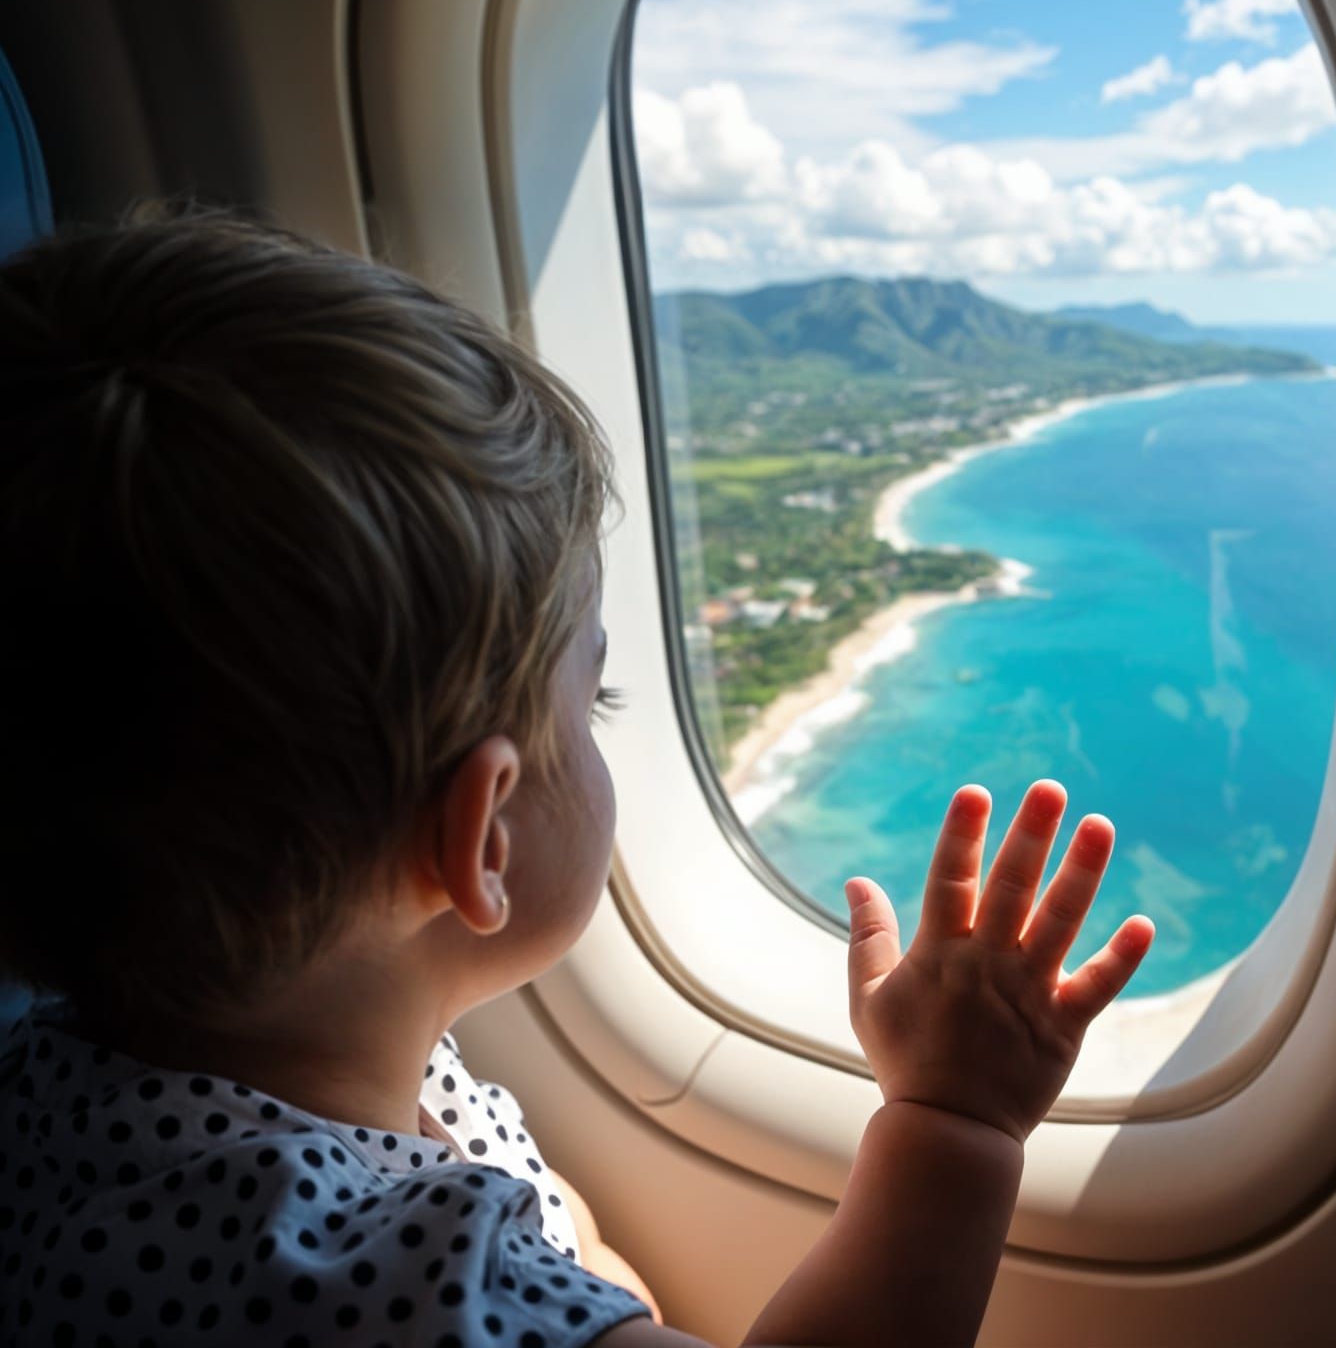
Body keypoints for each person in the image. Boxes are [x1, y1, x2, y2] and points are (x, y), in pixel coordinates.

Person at [0, 209, 1154, 1347]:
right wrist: (954, 1123)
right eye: (593, 701)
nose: (605, 736)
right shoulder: (407, 1295)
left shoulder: (66, 1096)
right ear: (482, 841)